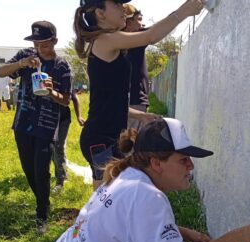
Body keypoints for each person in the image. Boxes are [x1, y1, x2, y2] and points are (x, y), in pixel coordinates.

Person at [48, 118, 250, 242]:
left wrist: (180, 231)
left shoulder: (127, 176)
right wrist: (241, 236)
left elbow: (125, 225)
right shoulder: (146, 196)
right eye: (183, 160)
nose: (191, 167)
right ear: (156, 163)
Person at [74, 0, 204, 190]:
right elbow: (150, 36)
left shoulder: (107, 41)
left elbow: (110, 101)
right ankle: (96, 220)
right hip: (100, 138)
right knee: (107, 195)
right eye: (117, 5)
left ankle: (100, 220)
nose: (122, 11)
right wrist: (185, 11)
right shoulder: (105, 40)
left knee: (108, 193)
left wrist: (139, 115)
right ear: (100, 14)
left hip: (105, 136)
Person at [0, 20, 72, 233]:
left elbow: (66, 100)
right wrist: (21, 64)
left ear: (55, 41)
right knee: (28, 169)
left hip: (46, 126)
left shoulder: (62, 66)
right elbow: (1, 72)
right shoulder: (26, 56)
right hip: (23, 122)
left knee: (41, 170)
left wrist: (51, 92)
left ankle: (42, 213)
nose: (40, 49)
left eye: (45, 44)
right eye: (37, 44)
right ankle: (43, 200)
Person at [52, 90, 85, 193]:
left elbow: (74, 98)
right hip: (48, 117)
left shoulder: (65, 76)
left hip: (63, 119)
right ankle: (61, 172)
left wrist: (79, 116)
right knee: (52, 147)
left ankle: (60, 180)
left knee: (59, 146)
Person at [123, 3, 150, 130]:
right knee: (133, 145)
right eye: (138, 19)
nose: (142, 24)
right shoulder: (135, 41)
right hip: (135, 102)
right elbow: (156, 32)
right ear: (128, 23)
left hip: (127, 102)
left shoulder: (114, 42)